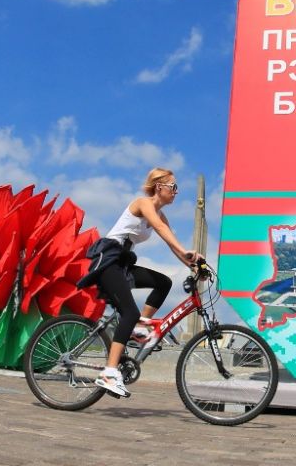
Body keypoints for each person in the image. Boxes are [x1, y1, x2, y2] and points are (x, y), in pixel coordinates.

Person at [77, 167, 203, 397]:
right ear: (159, 187)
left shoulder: (160, 214)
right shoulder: (143, 203)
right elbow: (161, 229)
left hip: (122, 264)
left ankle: (139, 327)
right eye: (173, 187)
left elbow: (171, 243)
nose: (176, 191)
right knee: (129, 312)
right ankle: (109, 373)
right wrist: (187, 252)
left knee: (163, 282)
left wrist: (194, 266)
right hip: (109, 260)